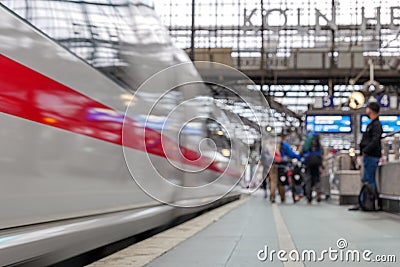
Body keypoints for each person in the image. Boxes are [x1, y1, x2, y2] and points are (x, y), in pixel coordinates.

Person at [349, 101, 383, 211]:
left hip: (371, 156)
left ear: (371, 110)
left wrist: (366, 150)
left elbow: (375, 140)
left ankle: (371, 203)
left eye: (367, 109)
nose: (366, 111)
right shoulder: (372, 124)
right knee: (366, 179)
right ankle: (364, 202)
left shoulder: (376, 125)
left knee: (369, 179)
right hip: (368, 156)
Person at [271, 134, 301, 203]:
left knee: (273, 181)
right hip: (283, 165)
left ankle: (272, 196)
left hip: (273, 166)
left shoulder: (271, 145)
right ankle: (282, 198)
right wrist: (299, 157)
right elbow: (291, 154)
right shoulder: (284, 145)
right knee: (283, 181)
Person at [301, 133, 324, 204]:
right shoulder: (319, 144)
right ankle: (318, 194)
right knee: (317, 179)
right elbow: (322, 153)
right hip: (317, 163)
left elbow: (301, 152)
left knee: (308, 180)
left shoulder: (307, 143)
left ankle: (309, 197)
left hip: (308, 163)